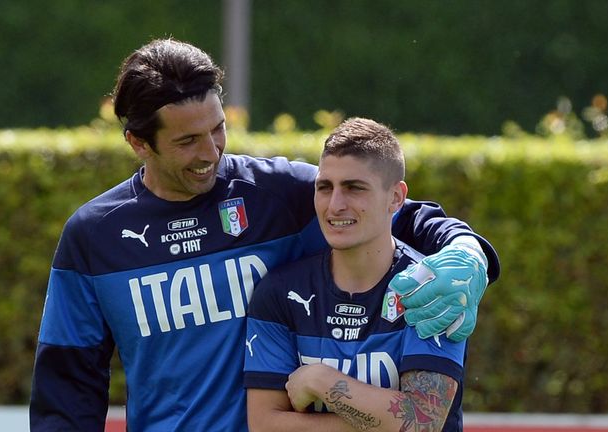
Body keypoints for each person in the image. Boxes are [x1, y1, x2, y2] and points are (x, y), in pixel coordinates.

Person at [29, 38, 500, 431]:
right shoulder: (94, 236)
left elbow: (392, 210)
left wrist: (467, 251)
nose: (210, 152)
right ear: (138, 142)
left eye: (217, 130)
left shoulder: (280, 195)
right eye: (187, 141)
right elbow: (67, 389)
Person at [244, 118, 486, 431]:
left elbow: (422, 423)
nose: (335, 205)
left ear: (396, 198)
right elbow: (265, 425)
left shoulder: (431, 289)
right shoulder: (280, 291)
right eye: (325, 188)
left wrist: (323, 381)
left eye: (354, 188)